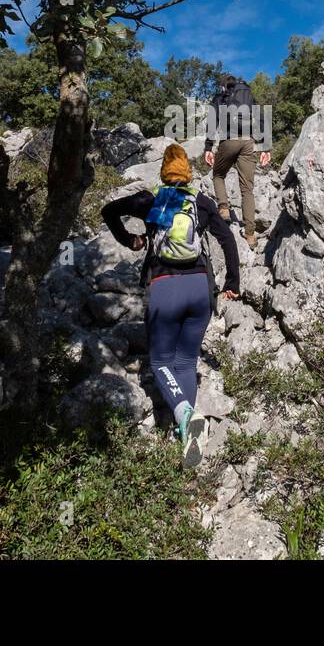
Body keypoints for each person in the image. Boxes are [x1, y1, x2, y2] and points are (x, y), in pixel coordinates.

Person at [101, 143, 241, 468]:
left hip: (165, 289)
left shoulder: (150, 199)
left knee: (161, 361)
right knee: (186, 362)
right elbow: (228, 238)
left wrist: (131, 240)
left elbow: (107, 211)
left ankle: (184, 414)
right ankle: (188, 438)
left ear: (163, 171)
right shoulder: (201, 202)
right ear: (188, 173)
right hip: (199, 291)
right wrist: (232, 283)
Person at [203, 73, 271, 249]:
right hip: (248, 142)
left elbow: (212, 121)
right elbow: (261, 118)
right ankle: (250, 234)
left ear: (223, 86)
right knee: (247, 189)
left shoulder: (220, 97)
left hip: (229, 140)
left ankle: (224, 208)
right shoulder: (247, 96)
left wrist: (208, 148)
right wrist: (265, 147)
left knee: (218, 174)